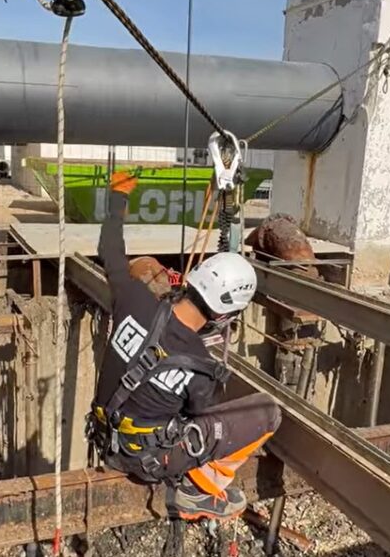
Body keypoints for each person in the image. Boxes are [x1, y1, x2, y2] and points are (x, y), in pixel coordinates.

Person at [88, 170, 282, 521]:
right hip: (145, 461)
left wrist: (118, 197)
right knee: (269, 412)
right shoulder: (200, 367)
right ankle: (199, 490)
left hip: (104, 437)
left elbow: (110, 252)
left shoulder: (133, 298)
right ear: (224, 316)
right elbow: (201, 419)